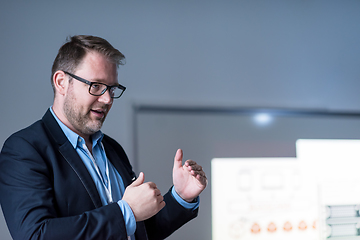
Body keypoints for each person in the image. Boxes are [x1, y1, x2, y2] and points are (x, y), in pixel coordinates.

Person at [0, 35, 207, 240]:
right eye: (96, 86)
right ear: (61, 82)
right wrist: (126, 212)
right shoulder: (24, 149)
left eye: (112, 88)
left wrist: (181, 197)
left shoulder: (112, 148)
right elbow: (36, 234)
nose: (107, 99)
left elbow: (139, 230)